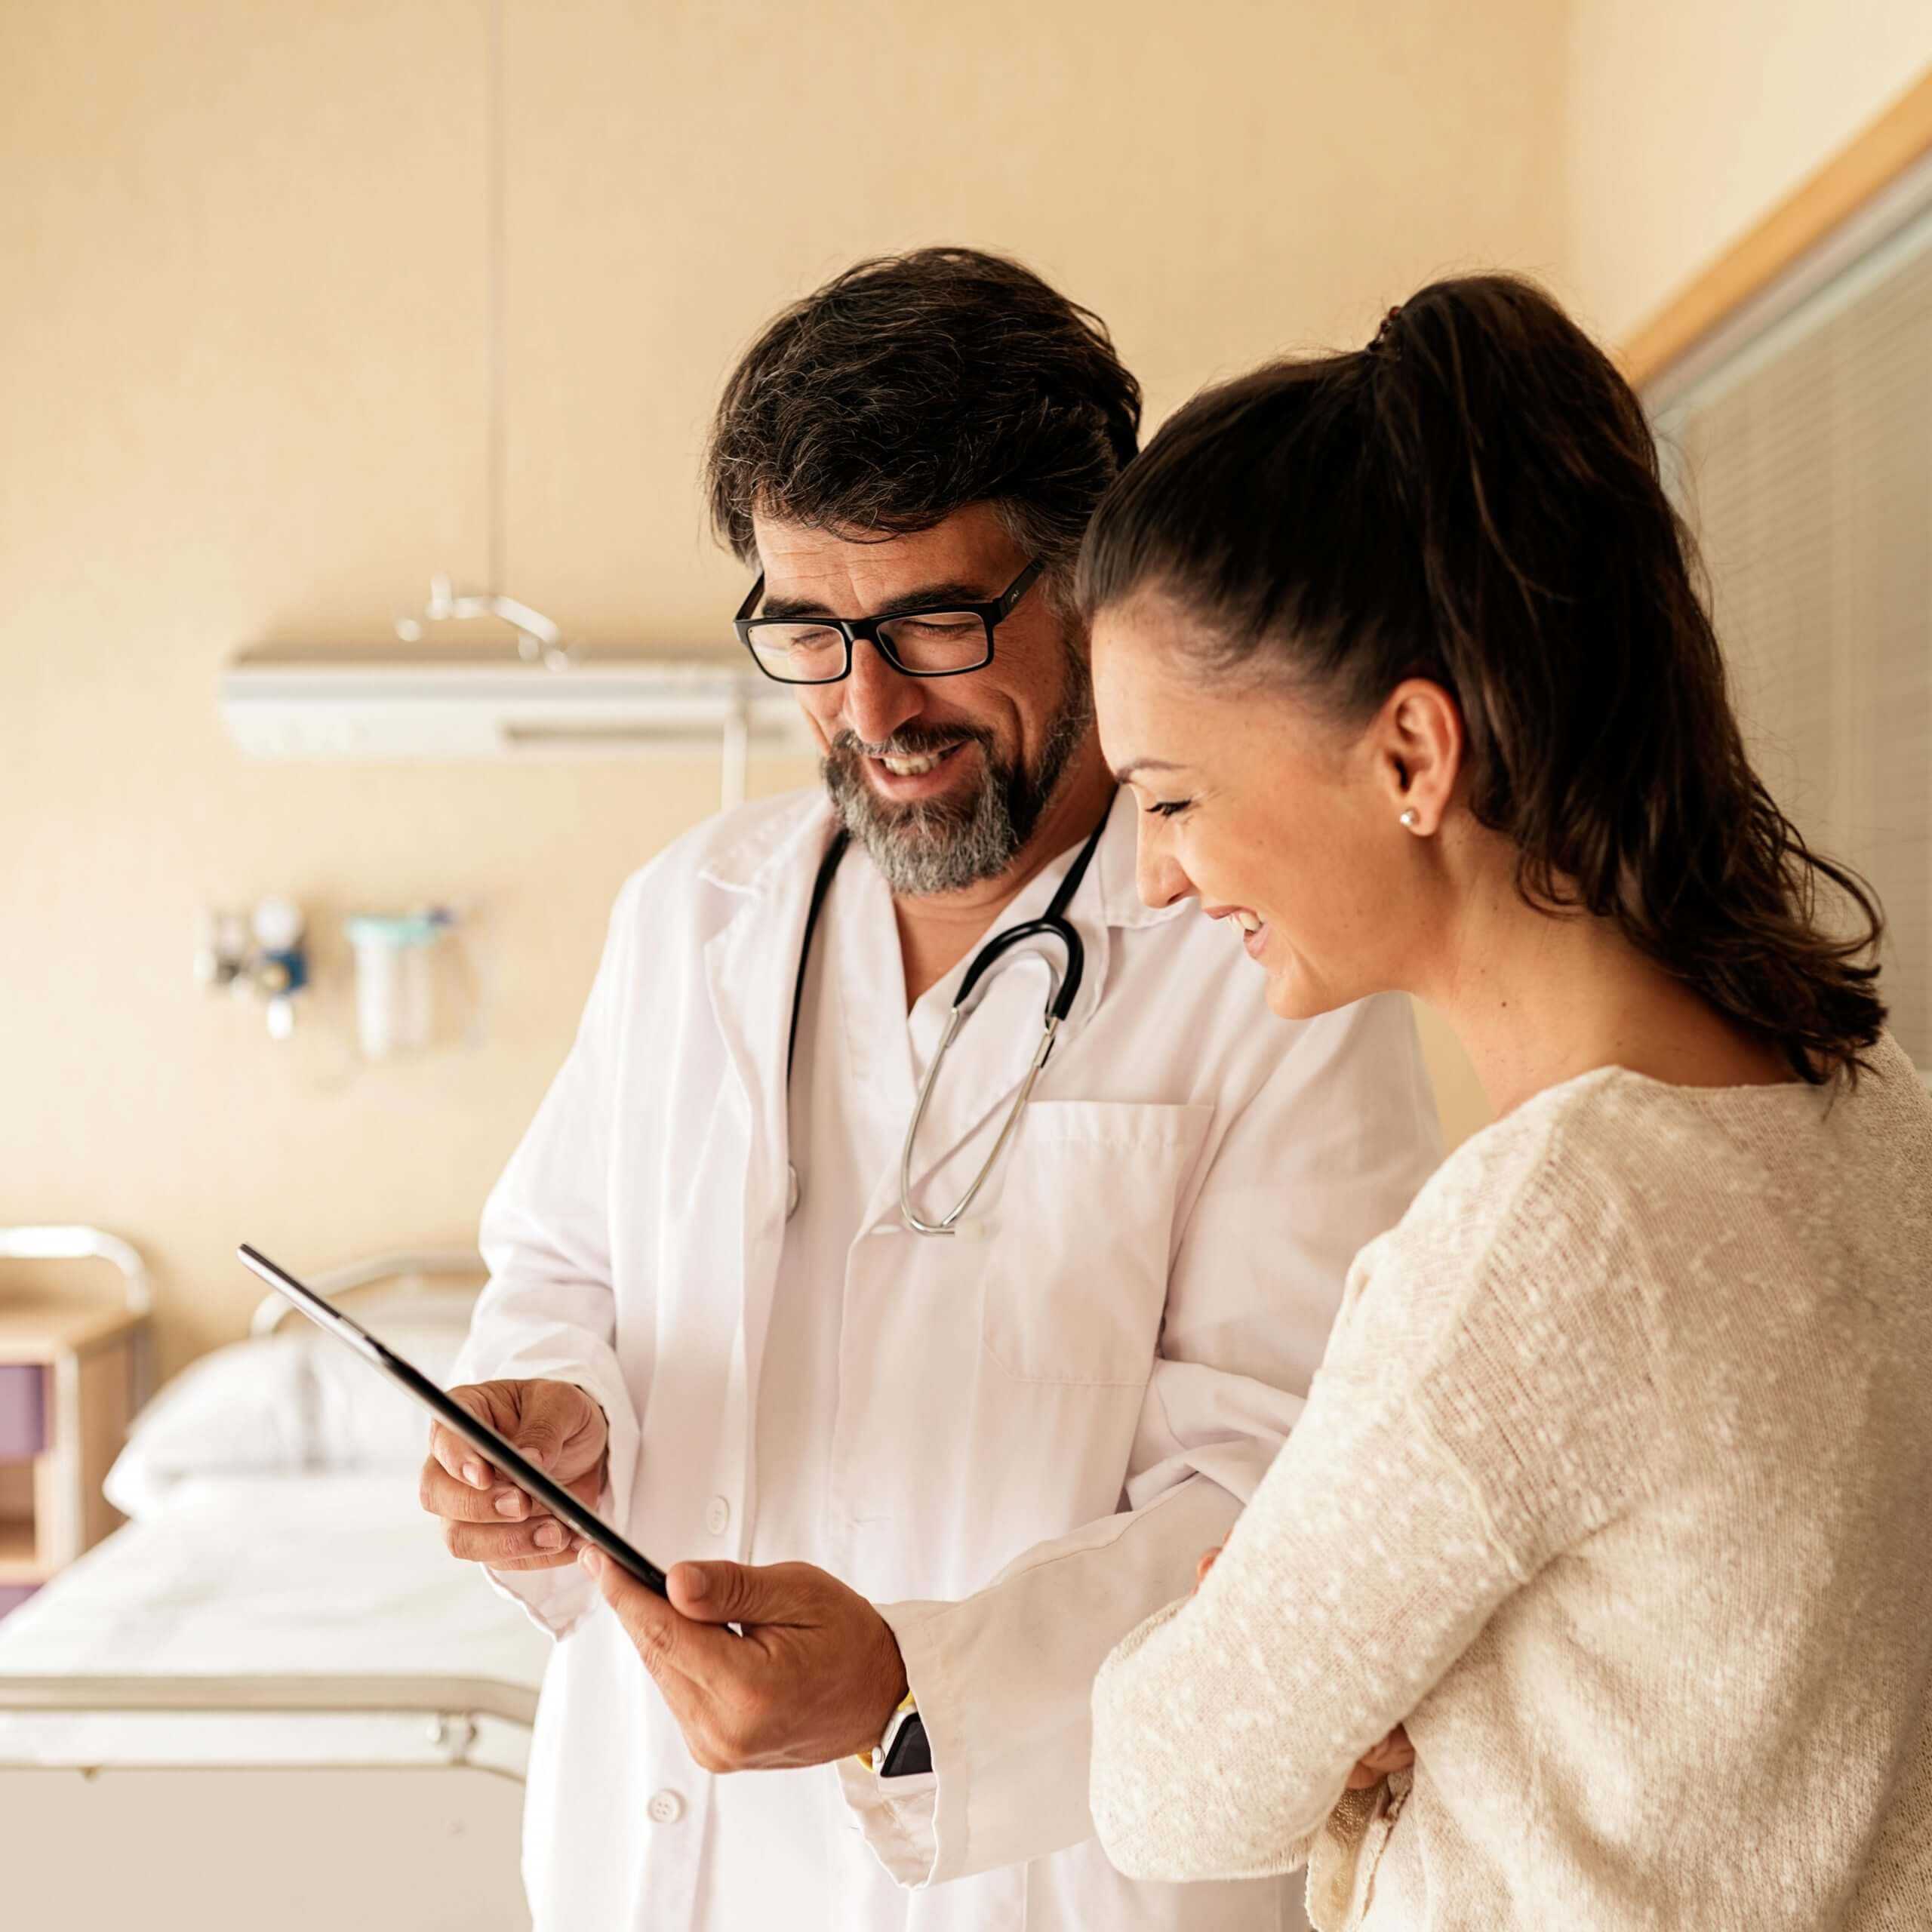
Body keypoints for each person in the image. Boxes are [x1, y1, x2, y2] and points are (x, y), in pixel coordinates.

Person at [417, 248, 1444, 1931]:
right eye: (810, 633)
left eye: (932, 625)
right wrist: (548, 1407)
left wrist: (916, 1691)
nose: (871, 708)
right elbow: (562, 1264)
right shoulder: (695, 911)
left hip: (1042, 1876)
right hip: (657, 1858)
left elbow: (1284, 1497)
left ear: (1089, 580)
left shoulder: (1269, 953)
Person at [1079, 273, 1932, 1930]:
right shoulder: (1870, 1112)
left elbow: (1172, 1785)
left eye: (1172, 797)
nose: (1157, 875)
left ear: (1410, 754)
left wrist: (1259, 1678)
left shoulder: (1550, 1237)